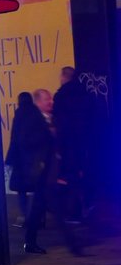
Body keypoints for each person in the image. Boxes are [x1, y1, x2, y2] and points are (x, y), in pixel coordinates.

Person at [23, 89, 82, 255]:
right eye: (48, 100)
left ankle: (30, 242)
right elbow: (28, 142)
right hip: (42, 172)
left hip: (50, 172)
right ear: (38, 102)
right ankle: (73, 246)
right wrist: (48, 135)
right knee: (56, 210)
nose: (51, 102)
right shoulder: (32, 119)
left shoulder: (52, 118)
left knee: (37, 211)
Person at [54, 66, 91, 220]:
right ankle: (86, 206)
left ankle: (72, 212)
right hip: (84, 142)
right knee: (83, 174)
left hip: (67, 143)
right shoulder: (85, 93)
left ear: (64, 77)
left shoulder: (61, 96)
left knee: (68, 177)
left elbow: (58, 121)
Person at [5, 92, 42, 224]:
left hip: (21, 158)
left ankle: (26, 216)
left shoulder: (19, 114)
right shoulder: (36, 113)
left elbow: (14, 138)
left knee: (21, 190)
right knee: (37, 188)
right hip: (35, 158)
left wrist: (9, 159)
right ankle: (38, 217)